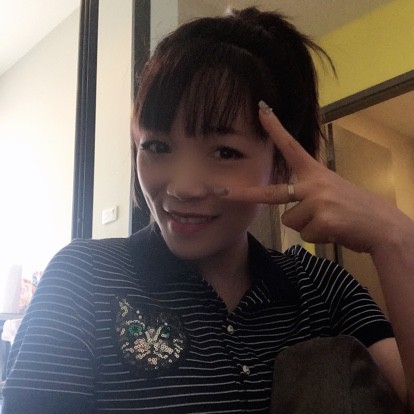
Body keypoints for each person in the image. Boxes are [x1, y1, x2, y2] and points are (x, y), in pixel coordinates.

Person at [2, 6, 414, 414]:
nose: (182, 187)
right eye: (157, 146)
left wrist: (396, 239)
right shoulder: (82, 280)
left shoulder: (322, 289)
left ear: (282, 164)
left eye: (224, 152)